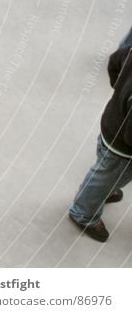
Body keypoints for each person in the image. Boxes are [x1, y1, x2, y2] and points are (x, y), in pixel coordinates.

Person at [68, 46, 131, 242]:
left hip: (112, 123)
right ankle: (83, 213)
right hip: (123, 146)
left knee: (107, 170)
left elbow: (115, 61)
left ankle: (105, 189)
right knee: (106, 173)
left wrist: (119, 90)